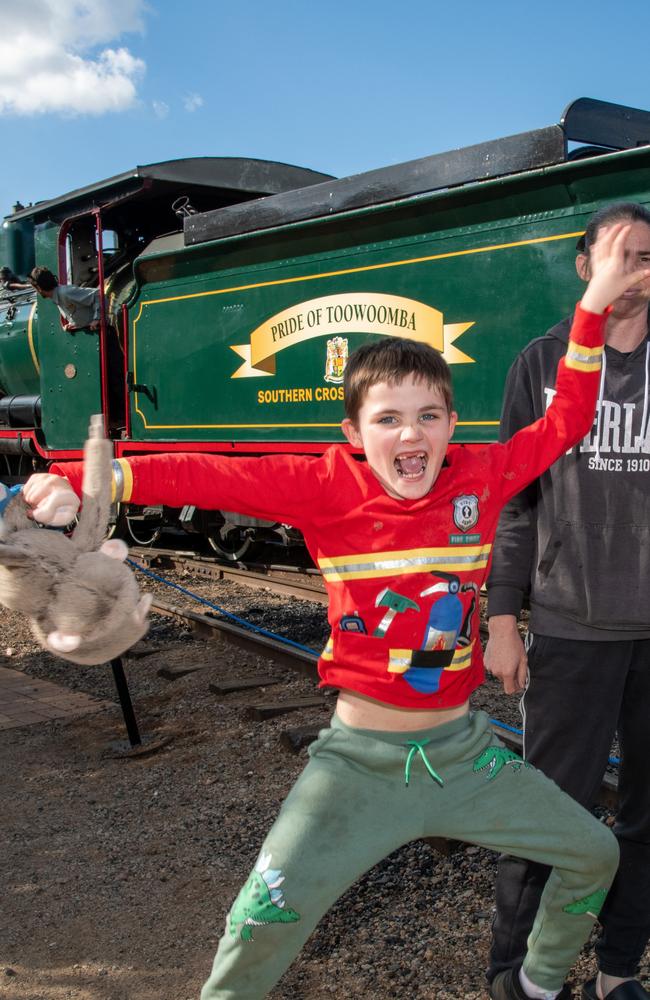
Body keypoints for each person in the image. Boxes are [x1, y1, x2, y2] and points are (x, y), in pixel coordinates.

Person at [21, 225, 649, 1000]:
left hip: (467, 758)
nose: (410, 434)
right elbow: (212, 475)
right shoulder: (326, 488)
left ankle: (537, 987)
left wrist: (591, 304)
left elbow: (566, 420)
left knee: (594, 852)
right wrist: (87, 482)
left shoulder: (481, 477)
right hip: (357, 767)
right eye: (388, 419)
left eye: (429, 415)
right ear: (354, 435)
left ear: (454, 425)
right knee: (259, 920)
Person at [486, 203, 650, 1000]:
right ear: (584, 266)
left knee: (646, 823)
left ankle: (618, 973)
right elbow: (514, 504)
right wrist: (502, 619)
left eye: (646, 257)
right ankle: (514, 979)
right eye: (616, 256)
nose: (632, 270)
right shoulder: (542, 362)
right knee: (546, 818)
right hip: (569, 626)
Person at [29, 266, 100, 331]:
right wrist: (73, 325)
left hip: (103, 331)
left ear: (38, 288)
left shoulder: (65, 293)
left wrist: (97, 319)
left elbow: (98, 294)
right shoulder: (57, 297)